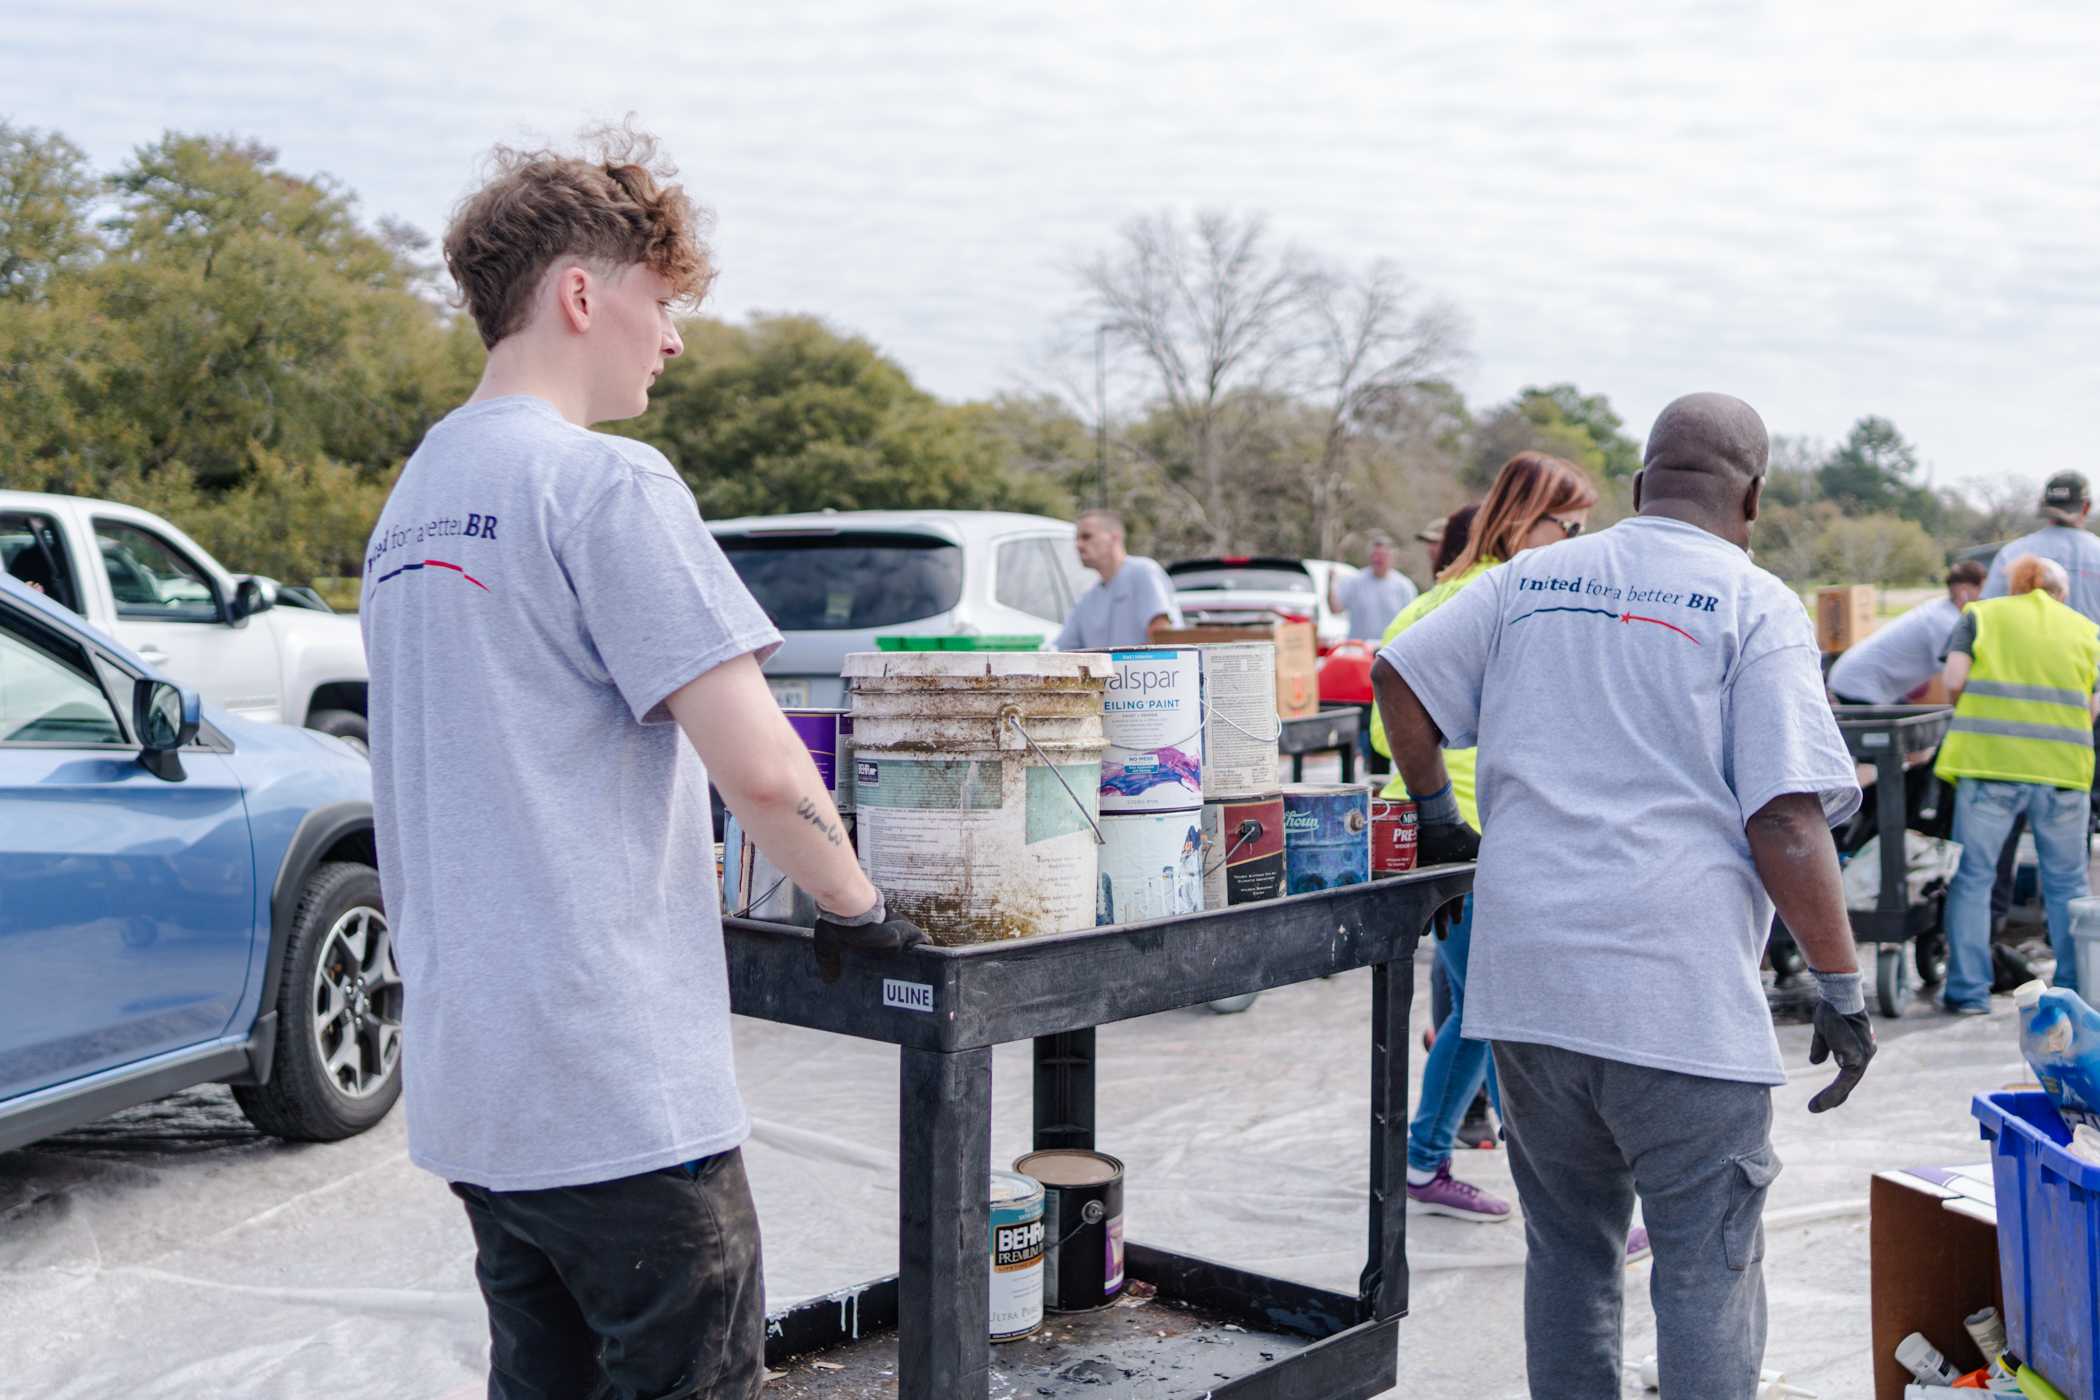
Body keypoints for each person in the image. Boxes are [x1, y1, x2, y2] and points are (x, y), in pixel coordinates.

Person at [360, 130, 922, 1400]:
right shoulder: (602, 481)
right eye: (660, 302)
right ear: (580, 293)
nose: (672, 338)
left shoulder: (414, 498)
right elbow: (766, 769)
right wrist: (863, 905)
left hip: (473, 1085)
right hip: (611, 1089)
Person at [1374, 392, 1874, 1400]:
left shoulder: (1533, 576)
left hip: (1530, 986)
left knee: (1569, 1253)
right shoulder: (1751, 600)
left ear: (1642, 484)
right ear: (1753, 498)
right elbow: (1785, 818)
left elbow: (1398, 675)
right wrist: (1841, 984)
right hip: (1674, 995)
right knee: (1705, 1264)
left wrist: (1434, 812)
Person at [1367, 454, 1600, 1225]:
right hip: (1477, 841)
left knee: (1476, 1007)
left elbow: (1381, 727)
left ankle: (1425, 1160)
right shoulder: (1518, 601)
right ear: (1524, 520)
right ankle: (1562, 1204)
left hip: (1426, 833)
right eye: (1569, 526)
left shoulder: (1431, 602)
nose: (1578, 541)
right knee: (1509, 1013)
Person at [1936, 555, 2100, 1014]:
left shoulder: (1981, 617)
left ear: (2013, 586)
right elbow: (2092, 707)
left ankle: (1968, 992)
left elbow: (1954, 679)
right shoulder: (2086, 630)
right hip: (2063, 773)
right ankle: (2074, 993)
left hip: (1991, 768)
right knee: (2067, 883)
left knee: (1974, 880)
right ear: (2060, 592)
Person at [1827, 560, 1986, 705]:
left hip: (1858, 681)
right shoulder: (1944, 622)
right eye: (1981, 588)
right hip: (1858, 685)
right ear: (1963, 591)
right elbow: (1955, 678)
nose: (1985, 596)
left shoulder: (1940, 610)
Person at [1981, 472, 2100, 623]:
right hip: (2091, 646)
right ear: (2086, 507)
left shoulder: (2012, 553)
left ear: (2045, 506)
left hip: (2024, 646)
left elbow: (1986, 614)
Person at [1054, 508, 1181, 648]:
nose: (1078, 545)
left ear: (1115, 537)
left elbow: (1163, 636)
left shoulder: (1143, 572)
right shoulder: (1087, 599)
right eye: (1077, 539)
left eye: (1086, 536)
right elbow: (1063, 648)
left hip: (1147, 670)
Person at [1328, 531, 1418, 639]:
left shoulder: (1404, 586)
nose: (1377, 559)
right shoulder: (1355, 581)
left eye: (1382, 556)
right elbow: (1335, 609)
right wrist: (1331, 583)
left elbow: (1412, 622)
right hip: (1360, 649)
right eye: (1374, 555)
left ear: (1392, 557)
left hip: (1388, 650)